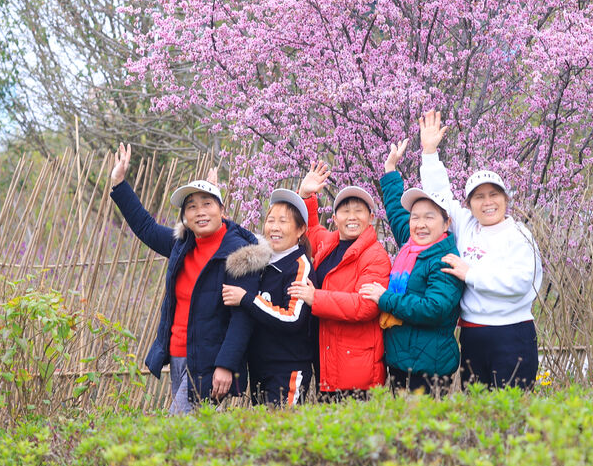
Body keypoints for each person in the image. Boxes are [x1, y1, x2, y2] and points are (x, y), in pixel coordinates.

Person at [109, 143, 259, 413]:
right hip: (178, 356)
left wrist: (226, 365)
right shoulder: (182, 245)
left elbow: (242, 317)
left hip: (210, 362)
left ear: (222, 210)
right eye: (191, 207)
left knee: (175, 428)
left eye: (207, 204)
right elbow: (145, 227)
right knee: (197, 434)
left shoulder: (238, 253)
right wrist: (119, 183)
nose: (200, 212)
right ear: (185, 217)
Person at [417, 110, 543, 390]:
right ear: (469, 204)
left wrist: (471, 274)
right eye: (479, 197)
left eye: (494, 195)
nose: (487, 203)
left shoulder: (519, 235)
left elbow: (521, 283)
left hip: (512, 334)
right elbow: (440, 196)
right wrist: (429, 152)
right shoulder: (466, 225)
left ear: (505, 199)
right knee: (477, 410)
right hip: (473, 336)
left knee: (511, 410)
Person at [357, 139, 464, 395]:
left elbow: (434, 309)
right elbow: (396, 211)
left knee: (423, 422)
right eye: (415, 217)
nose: (420, 224)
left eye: (429, 217)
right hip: (399, 361)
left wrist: (386, 299)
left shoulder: (445, 259)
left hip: (430, 367)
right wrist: (390, 170)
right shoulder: (411, 245)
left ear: (446, 223)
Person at [287, 162, 391, 399]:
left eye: (359, 211)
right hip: (328, 355)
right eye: (345, 211)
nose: (352, 217)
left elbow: (366, 306)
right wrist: (306, 195)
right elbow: (310, 229)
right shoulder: (329, 243)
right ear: (334, 218)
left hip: (356, 365)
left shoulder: (375, 256)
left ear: (371, 217)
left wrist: (316, 298)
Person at [223, 186, 315, 406]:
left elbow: (292, 317)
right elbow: (235, 235)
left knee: (283, 427)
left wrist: (247, 299)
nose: (274, 227)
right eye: (270, 220)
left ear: (301, 229)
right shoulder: (262, 260)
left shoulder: (299, 266)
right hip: (259, 368)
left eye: (283, 221)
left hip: (287, 370)